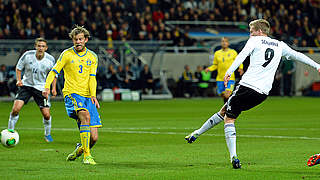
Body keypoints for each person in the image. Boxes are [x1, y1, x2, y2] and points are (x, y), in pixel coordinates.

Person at [185, 19, 320, 169]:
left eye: (251, 31)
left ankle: (233, 157)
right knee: (225, 111)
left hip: (247, 86)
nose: (250, 35)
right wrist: (317, 66)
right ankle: (196, 133)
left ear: (260, 31)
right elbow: (299, 55)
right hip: (263, 93)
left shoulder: (255, 41)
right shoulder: (280, 45)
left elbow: (241, 56)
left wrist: (229, 72)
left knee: (229, 119)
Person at [43, 25, 101, 165]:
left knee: (94, 138)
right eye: (76, 39)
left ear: (86, 40)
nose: (78, 42)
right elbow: (53, 71)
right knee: (85, 116)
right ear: (73, 40)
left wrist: (93, 95)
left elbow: (92, 77)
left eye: (81, 39)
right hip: (72, 94)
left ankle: (79, 149)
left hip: (88, 97)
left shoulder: (92, 56)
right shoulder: (67, 54)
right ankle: (87, 156)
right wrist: (46, 87)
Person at [7, 38, 56, 142]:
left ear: (46, 48)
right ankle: (10, 131)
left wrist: (53, 88)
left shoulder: (50, 59)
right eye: (39, 46)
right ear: (35, 47)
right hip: (26, 85)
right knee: (15, 109)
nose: (40, 48)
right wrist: (19, 80)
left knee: (46, 115)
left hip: (41, 88)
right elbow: (18, 68)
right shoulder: (27, 55)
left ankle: (47, 134)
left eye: (43, 46)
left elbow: (54, 75)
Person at [205, 37, 244, 103]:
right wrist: (209, 68)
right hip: (220, 78)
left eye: (225, 41)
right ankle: (226, 109)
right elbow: (215, 65)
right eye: (222, 41)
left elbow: (238, 61)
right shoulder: (217, 53)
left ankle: (231, 106)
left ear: (228, 43)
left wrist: (240, 68)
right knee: (223, 95)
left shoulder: (233, 52)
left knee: (227, 94)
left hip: (230, 78)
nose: (224, 43)